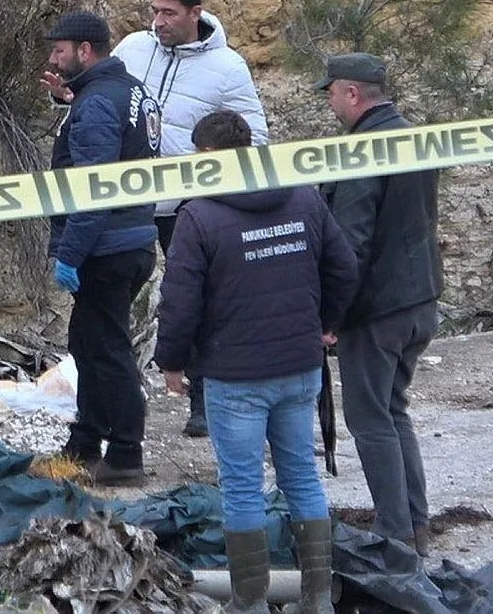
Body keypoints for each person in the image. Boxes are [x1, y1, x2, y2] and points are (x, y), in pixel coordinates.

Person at [154, 111, 359, 614]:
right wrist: (326, 323)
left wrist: (172, 362)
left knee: (242, 487)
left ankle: (249, 602)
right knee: (302, 477)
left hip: (236, 375)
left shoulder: (198, 217)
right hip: (299, 365)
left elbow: (180, 302)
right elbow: (344, 267)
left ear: (208, 157)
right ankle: (317, 600)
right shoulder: (304, 197)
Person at [111, 0, 269, 439]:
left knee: (199, 298)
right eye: (154, 10)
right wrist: (67, 98)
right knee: (110, 297)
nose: (158, 21)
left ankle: (203, 400)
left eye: (169, 13)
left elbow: (254, 138)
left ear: (195, 12)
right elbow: (101, 96)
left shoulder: (228, 68)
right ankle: (114, 400)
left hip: (189, 207)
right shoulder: (132, 48)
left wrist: (212, 189)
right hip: (127, 200)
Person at [316, 52, 443, 555]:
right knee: (392, 411)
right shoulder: (413, 138)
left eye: (331, 92)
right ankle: (414, 525)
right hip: (419, 300)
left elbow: (351, 244)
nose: (329, 102)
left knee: (370, 419)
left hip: (377, 310)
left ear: (352, 93)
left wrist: (331, 315)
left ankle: (395, 533)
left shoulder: (362, 151)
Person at [43, 11, 161, 487]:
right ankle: (85, 442)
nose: (54, 60)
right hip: (132, 238)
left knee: (107, 348)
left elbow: (94, 190)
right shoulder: (131, 91)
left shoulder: (96, 104)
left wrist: (71, 253)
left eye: (59, 51)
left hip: (106, 246)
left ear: (84, 50)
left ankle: (126, 452)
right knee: (88, 342)